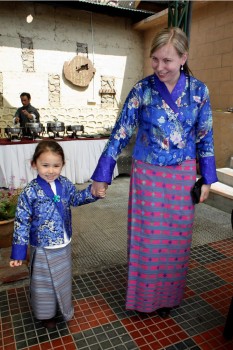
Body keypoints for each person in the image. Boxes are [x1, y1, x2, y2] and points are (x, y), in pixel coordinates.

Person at [91, 27, 218, 318]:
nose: (160, 67)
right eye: (155, 59)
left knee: (177, 240)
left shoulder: (199, 91)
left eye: (168, 61)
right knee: (148, 239)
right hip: (148, 175)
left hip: (182, 175)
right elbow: (121, 132)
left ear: (183, 58)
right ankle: (146, 300)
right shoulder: (142, 89)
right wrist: (103, 172)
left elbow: (205, 137)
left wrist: (208, 178)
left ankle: (168, 299)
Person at [9, 140, 105, 329]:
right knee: (43, 285)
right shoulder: (29, 192)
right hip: (43, 247)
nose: (51, 170)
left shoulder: (65, 184)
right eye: (45, 165)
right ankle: (46, 315)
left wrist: (93, 192)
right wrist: (19, 253)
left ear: (62, 165)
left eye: (56, 166)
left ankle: (63, 309)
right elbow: (21, 221)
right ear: (34, 164)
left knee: (62, 280)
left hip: (63, 244)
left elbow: (76, 199)